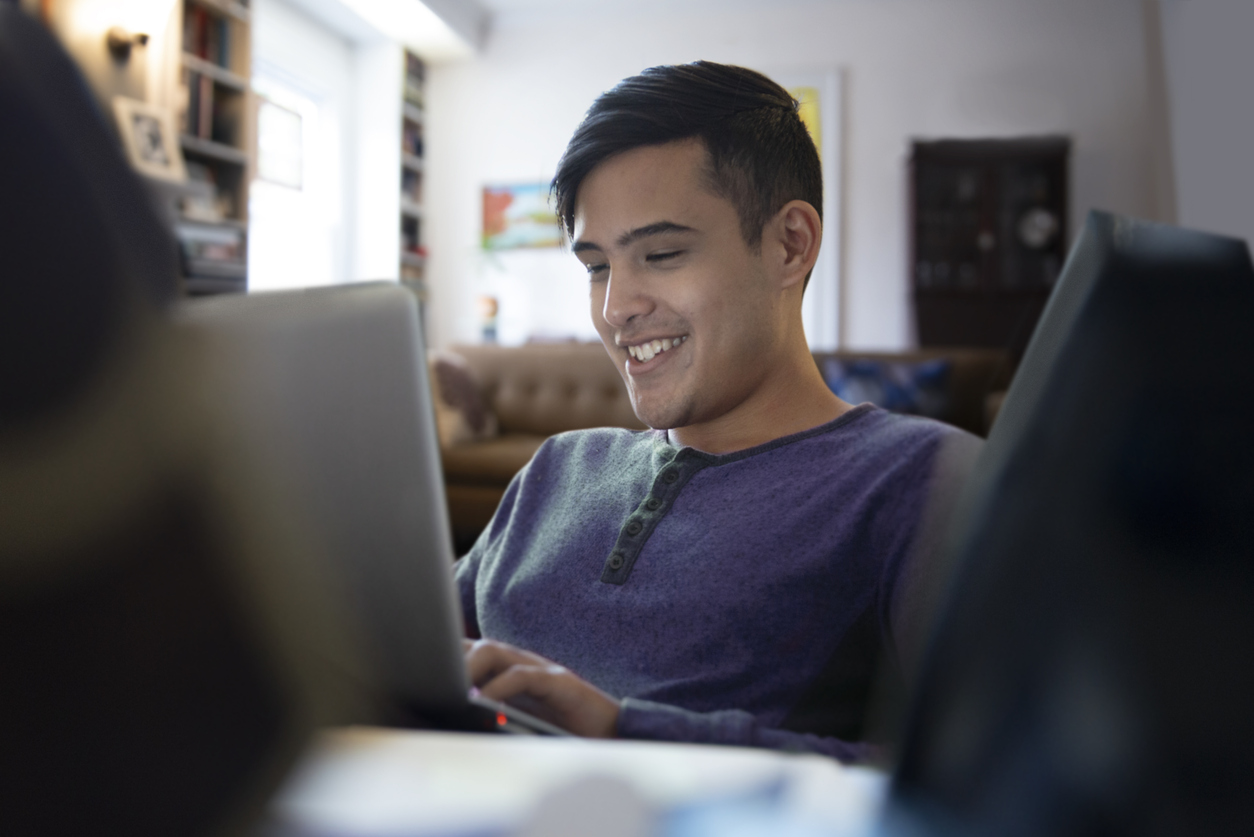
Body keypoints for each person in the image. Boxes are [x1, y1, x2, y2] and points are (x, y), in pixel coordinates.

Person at [454, 61, 980, 761]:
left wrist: (625, 733)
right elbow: (406, 657)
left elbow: (985, 787)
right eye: (598, 267)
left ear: (790, 244)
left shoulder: (922, 480)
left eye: (662, 253)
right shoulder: (556, 468)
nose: (616, 310)